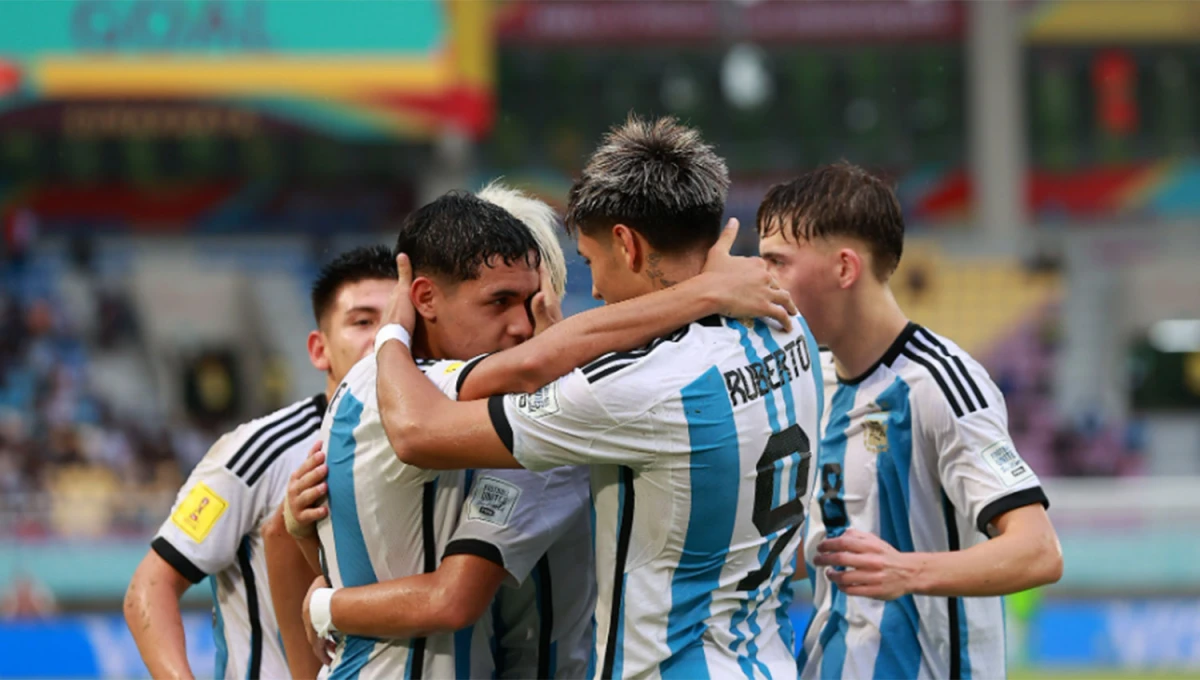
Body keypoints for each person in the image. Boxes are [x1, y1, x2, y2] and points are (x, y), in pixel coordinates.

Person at [349, 115, 822, 679]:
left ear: (626, 243)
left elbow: (417, 432)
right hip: (768, 659)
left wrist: (390, 335)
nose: (593, 289)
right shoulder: (792, 328)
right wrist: (705, 287)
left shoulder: (638, 389)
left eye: (591, 262)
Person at [755, 162, 1063, 679]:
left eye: (777, 262)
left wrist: (907, 570)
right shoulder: (813, 384)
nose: (763, 278)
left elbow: (1038, 551)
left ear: (845, 269)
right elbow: (829, 546)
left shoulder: (939, 384)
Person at [124, 245, 399, 680]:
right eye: (362, 321)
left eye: (395, 324)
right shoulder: (258, 450)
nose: (381, 338)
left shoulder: (427, 448)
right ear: (319, 349)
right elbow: (150, 587)